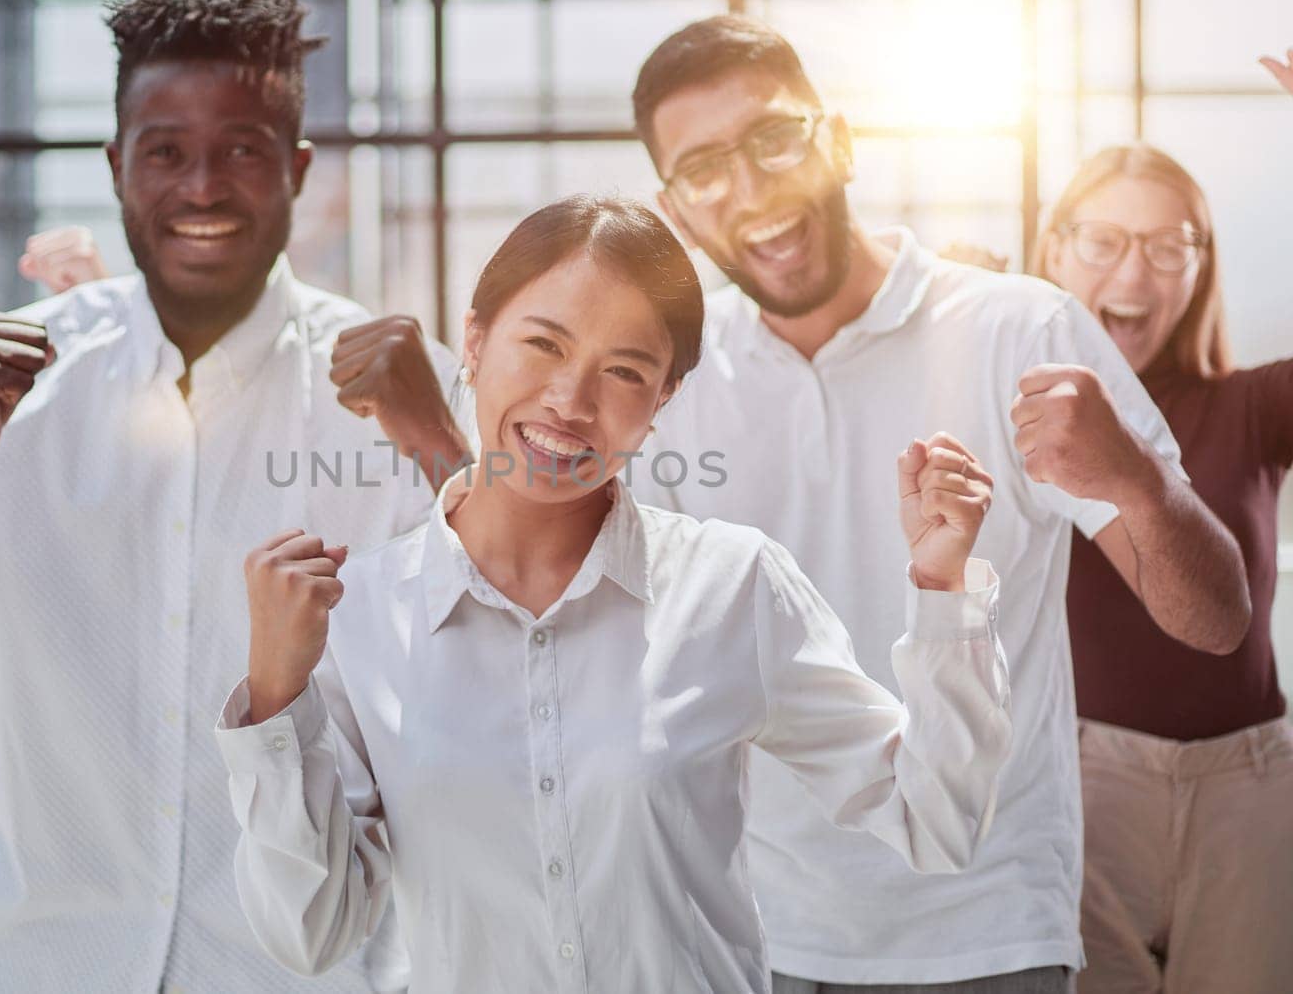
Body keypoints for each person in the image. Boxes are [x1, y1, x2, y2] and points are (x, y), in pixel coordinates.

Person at [0, 0, 460, 993]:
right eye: (164, 152)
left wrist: (442, 448)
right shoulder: (9, 384)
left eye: (241, 149)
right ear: (116, 169)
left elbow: (533, 652)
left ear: (295, 169)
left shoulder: (398, 387)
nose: (201, 187)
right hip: (46, 967)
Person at [215, 194, 1013, 992]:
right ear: (475, 339)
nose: (570, 400)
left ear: (663, 399)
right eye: (543, 343)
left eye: (625, 370)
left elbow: (935, 819)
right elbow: (311, 931)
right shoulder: (361, 617)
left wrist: (945, 590)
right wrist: (277, 699)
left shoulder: (731, 587)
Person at [628, 15, 1250, 993]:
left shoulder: (1024, 328)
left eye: (773, 140)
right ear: (675, 206)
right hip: (753, 936)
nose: (750, 189)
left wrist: (1131, 476)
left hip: (988, 932)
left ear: (835, 142)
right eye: (705, 167)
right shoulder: (670, 379)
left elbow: (1211, 621)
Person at [1032, 135, 1293, 994]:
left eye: (1167, 244)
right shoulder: (1010, 409)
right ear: (1055, 248)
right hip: (1072, 783)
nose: (1134, 272)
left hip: (1248, 795)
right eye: (1104, 240)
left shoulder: (1251, 405)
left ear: (1199, 265)